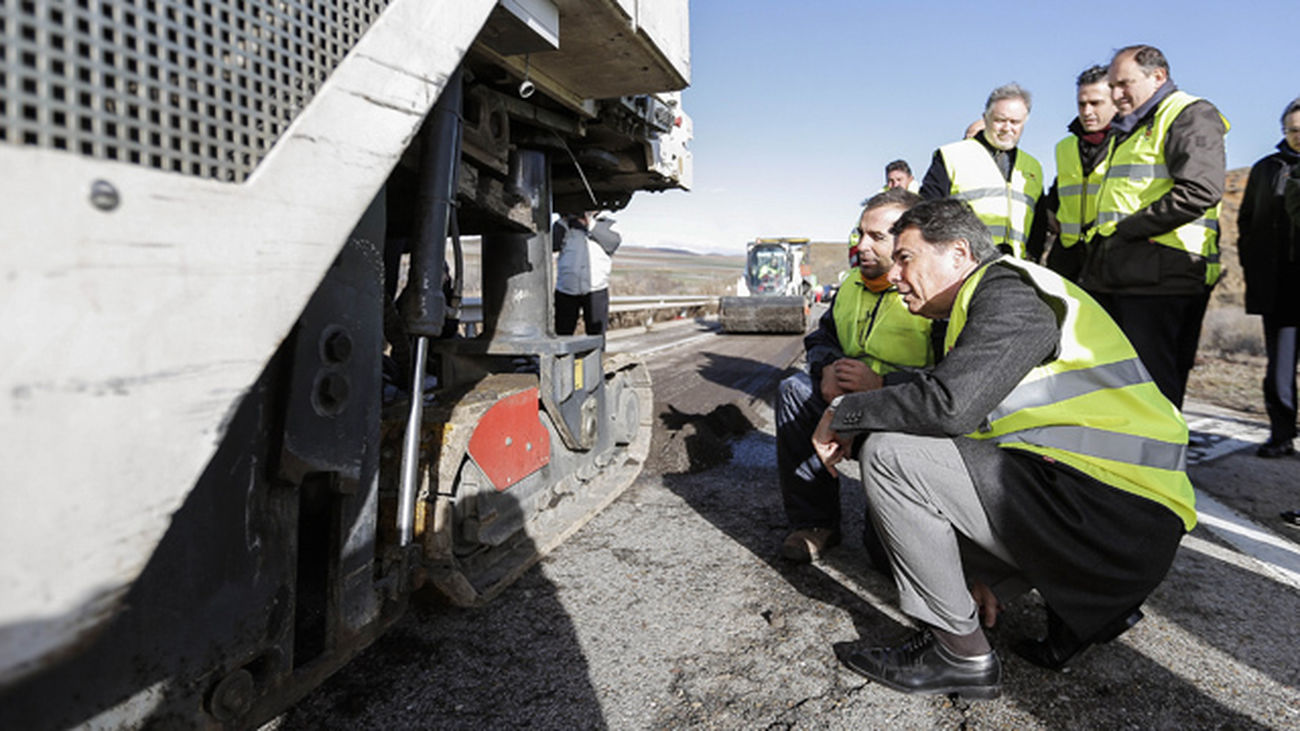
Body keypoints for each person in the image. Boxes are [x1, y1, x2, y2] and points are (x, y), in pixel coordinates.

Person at [815, 199, 1194, 699]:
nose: (896, 272)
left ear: (957, 252)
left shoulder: (1010, 293)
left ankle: (960, 655)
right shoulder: (983, 306)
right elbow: (968, 418)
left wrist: (847, 414)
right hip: (1092, 503)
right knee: (909, 556)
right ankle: (1082, 605)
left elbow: (949, 407)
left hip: (1112, 513)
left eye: (905, 258)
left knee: (889, 453)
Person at [778, 189, 936, 563]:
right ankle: (815, 523)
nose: (861, 245)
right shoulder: (849, 283)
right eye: (860, 233)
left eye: (877, 237)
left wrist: (882, 386)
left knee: (883, 559)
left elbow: (951, 381)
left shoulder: (934, 293)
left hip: (902, 410)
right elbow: (822, 336)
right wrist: (826, 368)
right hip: (846, 397)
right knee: (794, 390)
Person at [1079, 45, 1229, 410]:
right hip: (1123, 271)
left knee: (1153, 384)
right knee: (1119, 382)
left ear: (1157, 76)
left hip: (1160, 274)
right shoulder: (1131, 127)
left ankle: (1158, 465)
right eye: (1112, 85)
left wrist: (1128, 229)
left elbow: (1201, 189)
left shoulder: (1189, 114)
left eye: (1124, 84)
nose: (1116, 94)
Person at [920, 83, 1044, 260]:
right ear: (985, 118)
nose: (1007, 128)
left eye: (1015, 122)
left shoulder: (1033, 167)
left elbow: (1038, 225)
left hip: (1015, 268)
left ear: (1025, 122)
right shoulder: (951, 155)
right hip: (964, 266)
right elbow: (926, 215)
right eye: (1000, 120)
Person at [1239, 98, 1300, 458]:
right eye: (1292, 130)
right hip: (1279, 284)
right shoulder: (1267, 168)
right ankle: (1281, 434)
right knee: (1279, 368)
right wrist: (1251, 261)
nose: (1297, 136)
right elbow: (1247, 219)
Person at [1030, 65, 1118, 281]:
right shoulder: (1065, 146)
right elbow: (1064, 184)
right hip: (1067, 256)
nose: (1087, 111)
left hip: (1112, 254)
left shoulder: (1131, 143)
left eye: (1095, 103)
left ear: (1116, 100)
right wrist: (1051, 208)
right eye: (1082, 104)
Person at [553, 211, 621, 336]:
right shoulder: (563, 225)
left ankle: (595, 355)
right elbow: (552, 245)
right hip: (566, 289)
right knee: (562, 333)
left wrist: (590, 224)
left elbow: (613, 243)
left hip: (596, 289)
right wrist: (563, 222)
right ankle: (563, 356)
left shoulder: (608, 224)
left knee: (596, 334)